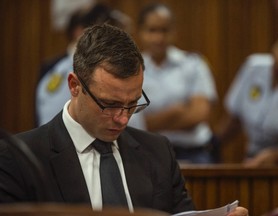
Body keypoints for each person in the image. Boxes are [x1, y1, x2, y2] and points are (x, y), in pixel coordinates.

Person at [0, 24, 248, 216]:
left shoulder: (158, 152)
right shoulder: (20, 159)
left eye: (133, 104)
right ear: (75, 86)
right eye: (109, 105)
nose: (122, 119)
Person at [128, 3, 218, 163]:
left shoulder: (194, 64)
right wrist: (175, 112)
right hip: (148, 154)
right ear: (140, 32)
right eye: (152, 30)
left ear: (174, 32)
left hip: (193, 154)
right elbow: (130, 121)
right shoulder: (131, 68)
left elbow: (198, 115)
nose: (158, 38)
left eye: (164, 30)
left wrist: (150, 122)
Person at [36, 2, 131, 126]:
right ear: (81, 32)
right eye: (104, 31)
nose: (112, 40)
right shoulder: (63, 71)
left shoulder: (113, 65)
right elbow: (53, 124)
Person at [217, 29, 278, 167]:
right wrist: (213, 145)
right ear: (274, 46)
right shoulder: (254, 67)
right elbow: (234, 118)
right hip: (252, 158)